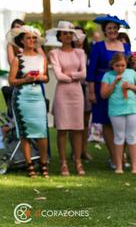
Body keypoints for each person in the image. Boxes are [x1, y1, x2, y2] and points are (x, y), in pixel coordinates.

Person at [87, 15, 131, 170]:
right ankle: (114, 157)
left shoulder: (125, 47)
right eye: (109, 28)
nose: (112, 31)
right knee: (107, 122)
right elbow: (91, 69)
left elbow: (129, 67)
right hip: (103, 85)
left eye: (114, 28)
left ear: (118, 30)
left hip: (121, 87)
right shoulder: (98, 46)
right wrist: (92, 91)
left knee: (122, 120)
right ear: (105, 31)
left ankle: (122, 155)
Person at [7, 26, 49, 177]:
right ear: (22, 41)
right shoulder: (18, 59)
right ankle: (29, 165)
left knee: (42, 131)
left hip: (37, 96)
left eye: (34, 38)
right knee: (25, 132)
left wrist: (39, 78)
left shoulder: (41, 58)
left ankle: (43, 164)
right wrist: (25, 79)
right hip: (22, 97)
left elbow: (47, 77)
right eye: (28, 38)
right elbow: (11, 81)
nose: (32, 40)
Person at [47, 21, 87, 176]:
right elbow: (58, 75)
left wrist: (71, 75)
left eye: (70, 33)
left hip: (77, 93)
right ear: (59, 36)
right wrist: (73, 76)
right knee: (63, 129)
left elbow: (84, 73)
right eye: (64, 33)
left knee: (77, 129)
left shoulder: (80, 53)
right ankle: (63, 163)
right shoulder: (54, 53)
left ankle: (77, 161)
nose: (68, 36)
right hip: (62, 93)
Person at [101, 53, 136, 174]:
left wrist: (131, 86)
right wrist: (114, 83)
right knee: (119, 137)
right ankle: (119, 165)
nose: (120, 68)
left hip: (131, 108)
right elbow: (103, 94)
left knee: (132, 136)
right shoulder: (108, 76)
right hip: (116, 110)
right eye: (117, 66)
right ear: (112, 66)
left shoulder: (131, 73)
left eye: (122, 65)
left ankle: (134, 167)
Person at [73, 25, 93, 161]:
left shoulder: (89, 53)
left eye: (81, 36)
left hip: (85, 87)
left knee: (85, 122)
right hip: (73, 87)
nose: (79, 39)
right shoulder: (69, 52)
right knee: (73, 122)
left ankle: (83, 150)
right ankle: (75, 150)